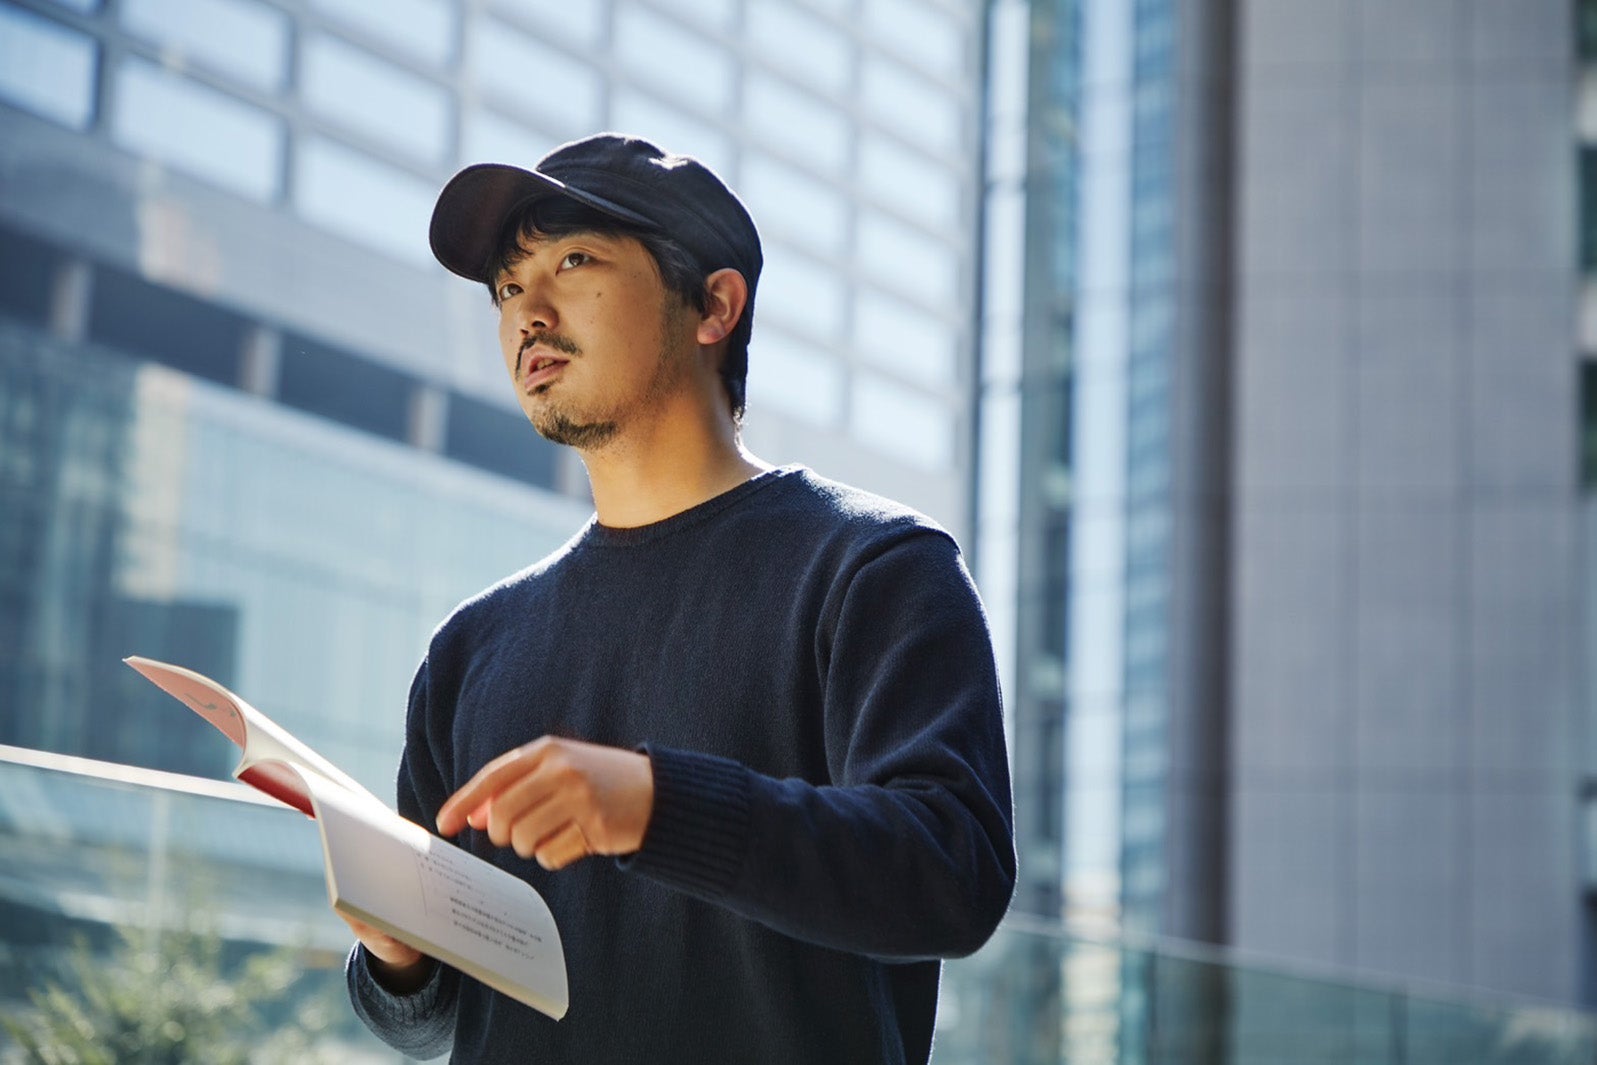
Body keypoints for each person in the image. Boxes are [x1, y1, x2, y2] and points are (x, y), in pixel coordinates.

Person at [341, 132, 1015, 1064]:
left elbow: (953, 873)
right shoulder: (469, 648)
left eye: (573, 260)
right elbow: (440, 1018)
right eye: (506, 286)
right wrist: (397, 954)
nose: (526, 312)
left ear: (714, 304)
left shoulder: (876, 568)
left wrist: (660, 807)